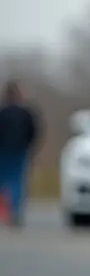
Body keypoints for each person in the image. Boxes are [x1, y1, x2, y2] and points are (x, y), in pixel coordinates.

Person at [0, 81, 42, 228]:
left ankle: (5, 211)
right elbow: (34, 131)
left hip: (3, 150)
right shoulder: (26, 113)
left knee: (3, 181)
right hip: (19, 150)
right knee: (16, 181)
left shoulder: (2, 112)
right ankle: (15, 211)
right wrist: (30, 147)